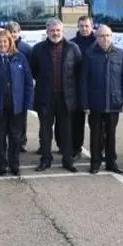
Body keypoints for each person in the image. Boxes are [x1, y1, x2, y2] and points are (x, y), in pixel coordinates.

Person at [29, 18, 82, 173]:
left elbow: (78, 72)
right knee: (45, 131)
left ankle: (67, 160)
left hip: (66, 97)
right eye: (52, 30)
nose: (55, 33)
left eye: (58, 30)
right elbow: (34, 71)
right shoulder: (38, 49)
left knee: (66, 131)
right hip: (45, 96)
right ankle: (45, 159)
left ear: (62, 31)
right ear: (47, 31)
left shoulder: (73, 48)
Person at [79, 25, 123, 174]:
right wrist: (85, 103)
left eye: (108, 35)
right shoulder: (89, 55)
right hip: (95, 102)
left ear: (111, 36)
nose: (105, 39)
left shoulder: (120, 55)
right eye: (102, 36)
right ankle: (95, 162)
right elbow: (84, 81)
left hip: (114, 102)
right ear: (96, 38)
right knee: (95, 134)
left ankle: (111, 162)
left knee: (111, 134)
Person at [0, 31, 34, 176]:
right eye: (0, 42)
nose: (2, 44)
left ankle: (14, 164)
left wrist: (28, 102)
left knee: (15, 137)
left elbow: (28, 82)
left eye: (5, 41)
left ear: (10, 42)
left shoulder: (20, 58)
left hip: (17, 106)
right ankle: (1, 164)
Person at [69, 15, 96, 160]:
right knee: (76, 123)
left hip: (95, 89)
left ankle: (98, 150)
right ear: (78, 27)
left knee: (97, 125)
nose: (84, 29)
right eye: (81, 26)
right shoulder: (71, 44)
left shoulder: (98, 42)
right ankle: (75, 149)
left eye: (87, 26)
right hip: (77, 89)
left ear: (92, 26)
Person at [5, 21, 33, 153]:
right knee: (5, 120)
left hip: (20, 89)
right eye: (10, 32)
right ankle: (3, 142)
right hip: (6, 90)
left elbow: (31, 69)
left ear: (19, 32)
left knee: (21, 119)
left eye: (15, 32)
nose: (13, 34)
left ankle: (22, 142)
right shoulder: (1, 46)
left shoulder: (26, 49)